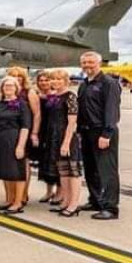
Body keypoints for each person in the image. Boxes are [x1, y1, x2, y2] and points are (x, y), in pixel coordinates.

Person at [77, 51, 122, 220]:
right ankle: (95, 200)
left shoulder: (108, 83)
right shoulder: (84, 84)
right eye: (84, 62)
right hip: (86, 132)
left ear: (99, 63)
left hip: (102, 132)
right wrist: (79, 132)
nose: (87, 65)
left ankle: (110, 207)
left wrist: (107, 134)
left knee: (107, 170)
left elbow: (111, 110)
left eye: (91, 62)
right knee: (91, 169)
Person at [0, 77, 31, 214]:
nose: (8, 88)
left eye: (11, 86)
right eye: (5, 85)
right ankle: (9, 199)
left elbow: (25, 126)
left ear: (16, 88)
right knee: (4, 171)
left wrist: (21, 145)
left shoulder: (22, 104)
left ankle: (18, 202)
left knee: (17, 171)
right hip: (0, 139)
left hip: (14, 137)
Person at [47, 69, 83, 217]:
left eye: (59, 79)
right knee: (63, 172)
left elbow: (72, 122)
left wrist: (66, 142)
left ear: (65, 81)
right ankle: (65, 201)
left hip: (67, 137)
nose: (55, 81)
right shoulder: (54, 97)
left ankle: (74, 204)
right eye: (53, 79)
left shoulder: (70, 97)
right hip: (55, 137)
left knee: (73, 171)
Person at [8, 66, 41, 206]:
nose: (16, 78)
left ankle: (23, 194)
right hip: (9, 133)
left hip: (25, 131)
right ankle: (12, 195)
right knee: (10, 163)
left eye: (19, 76)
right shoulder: (6, 92)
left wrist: (34, 133)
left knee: (23, 163)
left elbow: (37, 114)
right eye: (13, 76)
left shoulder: (29, 93)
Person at [34, 70, 61, 204]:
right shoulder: (36, 96)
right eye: (41, 80)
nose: (43, 83)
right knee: (45, 162)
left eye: (46, 80)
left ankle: (60, 192)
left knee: (56, 162)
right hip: (42, 131)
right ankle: (49, 191)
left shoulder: (56, 95)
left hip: (54, 131)